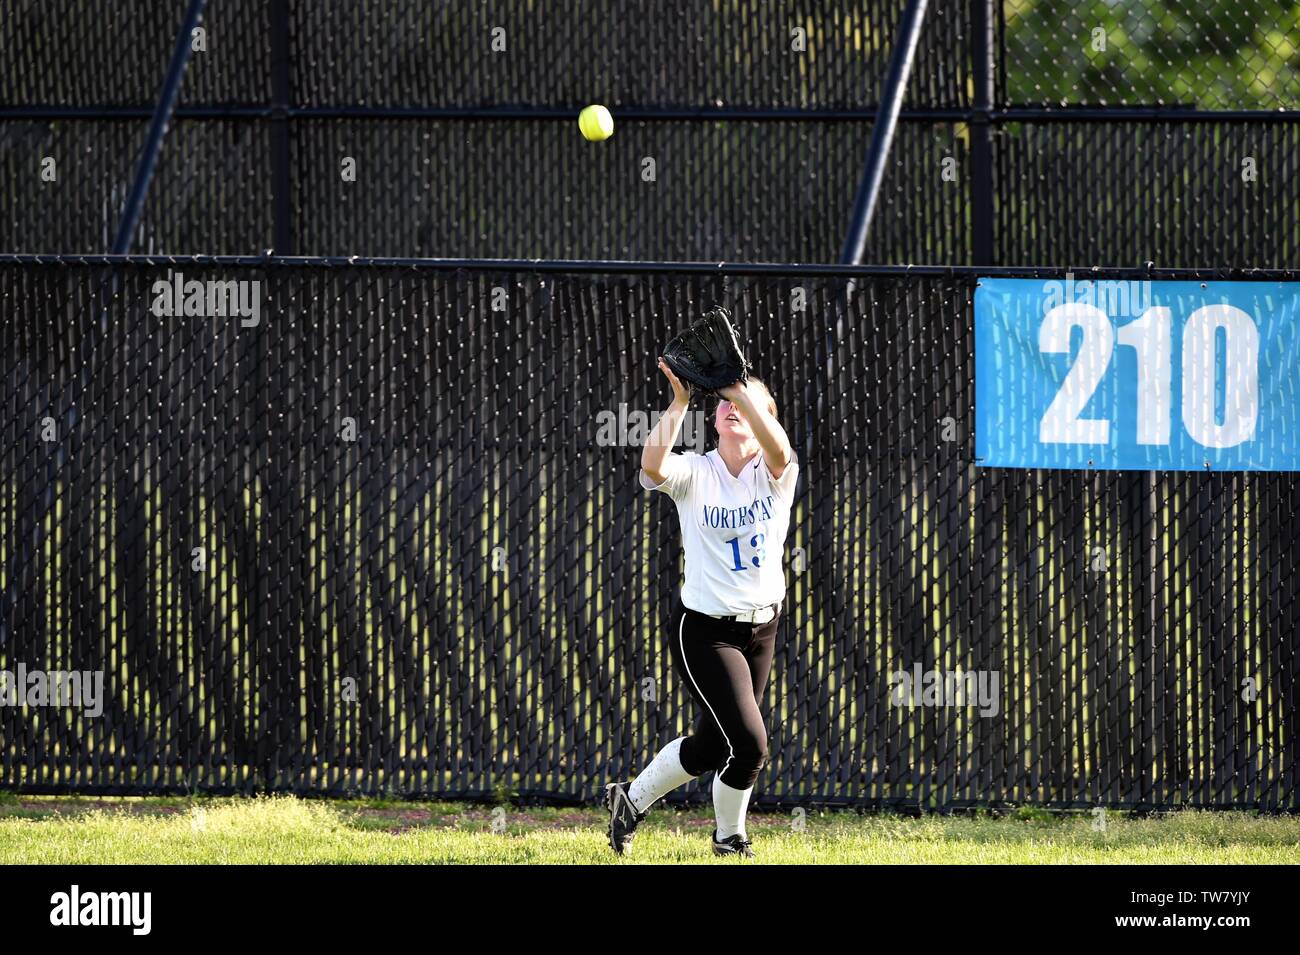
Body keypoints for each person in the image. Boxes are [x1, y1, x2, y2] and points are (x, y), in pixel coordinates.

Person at [605, 355, 799, 859]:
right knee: (751, 745)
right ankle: (729, 838)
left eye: (751, 400)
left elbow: (777, 448)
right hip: (705, 631)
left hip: (762, 629)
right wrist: (681, 402)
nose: (735, 407)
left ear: (767, 415)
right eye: (727, 403)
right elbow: (651, 465)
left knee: (715, 746)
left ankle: (631, 801)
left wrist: (741, 393)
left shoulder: (778, 471)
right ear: (714, 419)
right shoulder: (697, 472)